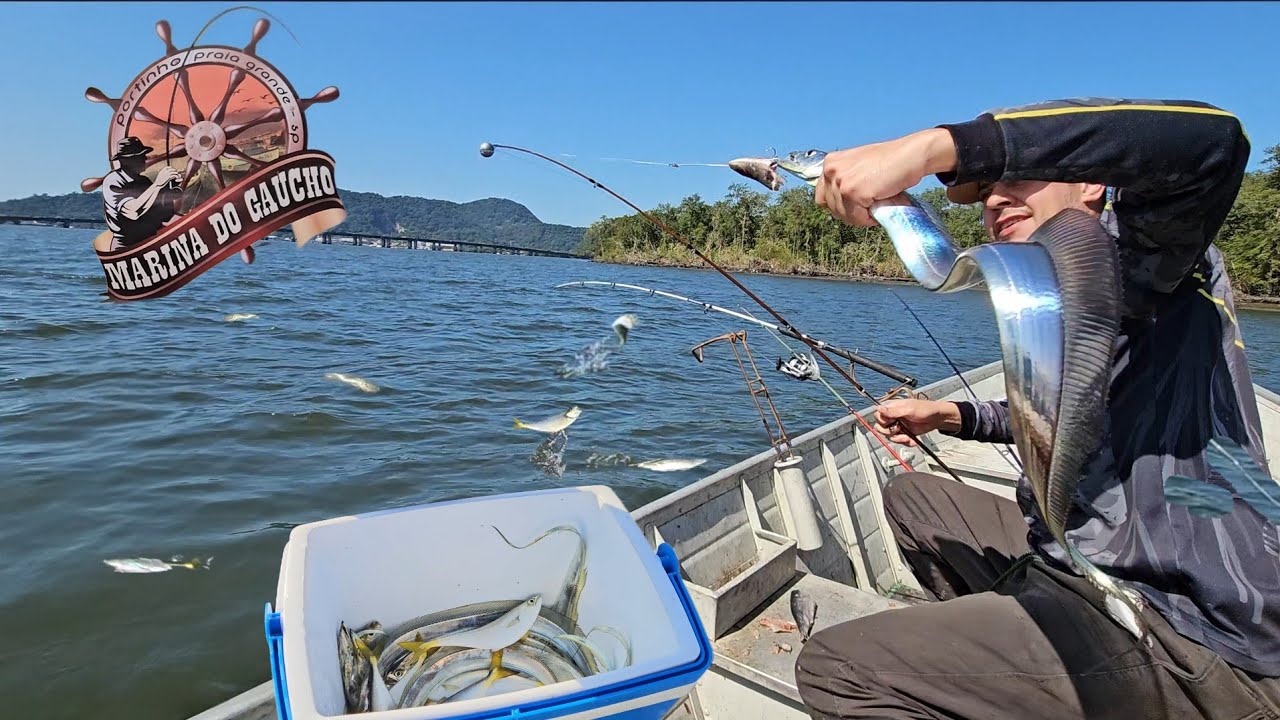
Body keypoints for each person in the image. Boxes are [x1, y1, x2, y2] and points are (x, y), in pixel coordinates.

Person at [793, 98, 1280, 720]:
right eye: (987, 190)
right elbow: (1070, 421)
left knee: (839, 670)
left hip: (1185, 623)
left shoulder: (1144, 260)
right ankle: (1016, 672)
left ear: (1093, 184)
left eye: (1018, 179)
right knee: (914, 498)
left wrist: (930, 149)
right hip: (1076, 554)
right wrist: (951, 418)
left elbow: (1212, 145)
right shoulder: (1052, 294)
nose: (996, 201)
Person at [101, 136, 183, 250]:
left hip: (151, 243)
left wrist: (169, 190)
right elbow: (132, 212)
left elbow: (164, 214)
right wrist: (158, 184)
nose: (145, 159)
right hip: (127, 247)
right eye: (140, 156)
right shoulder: (113, 181)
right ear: (125, 160)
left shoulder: (144, 181)